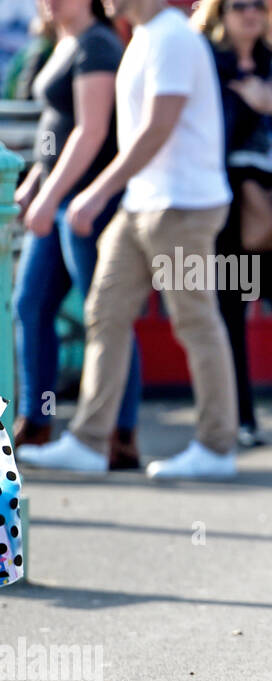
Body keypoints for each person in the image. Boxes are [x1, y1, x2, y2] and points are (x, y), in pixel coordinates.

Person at [19, 0, 238, 479]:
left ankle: (217, 446)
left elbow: (159, 126)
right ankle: (91, 442)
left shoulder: (172, 36)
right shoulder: (142, 36)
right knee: (105, 313)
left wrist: (96, 192)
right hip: (142, 204)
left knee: (195, 322)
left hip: (183, 206)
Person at [11, 0, 143, 471]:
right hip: (60, 197)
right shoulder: (65, 41)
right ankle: (38, 422)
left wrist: (52, 196)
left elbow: (90, 132)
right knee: (31, 304)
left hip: (89, 202)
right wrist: (33, 185)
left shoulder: (99, 45)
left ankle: (120, 436)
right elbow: (57, 131)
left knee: (105, 314)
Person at [195, 0, 272, 447]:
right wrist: (248, 106)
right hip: (228, 212)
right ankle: (241, 420)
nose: (249, 14)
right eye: (237, 6)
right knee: (230, 318)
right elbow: (207, 142)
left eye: (257, 6)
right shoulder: (207, 67)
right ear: (218, 14)